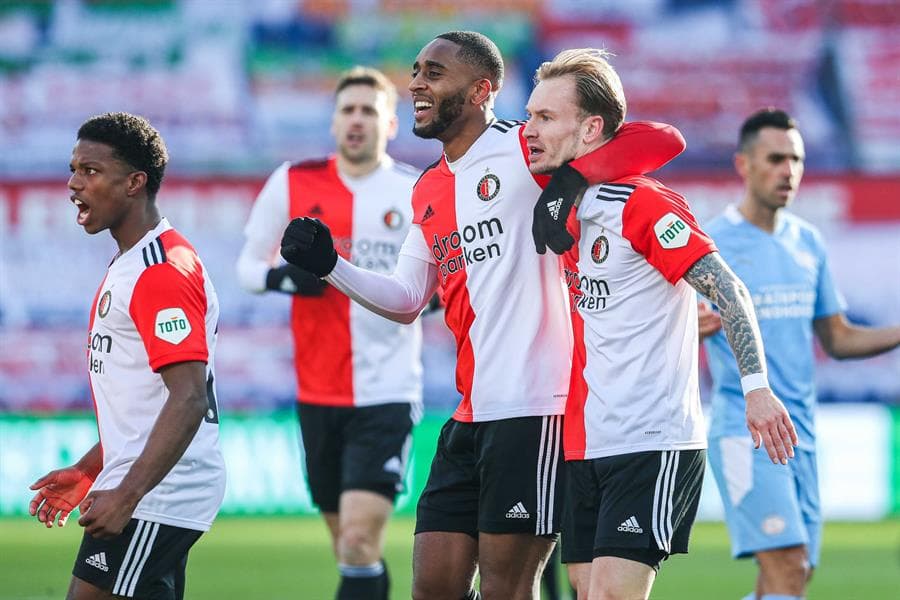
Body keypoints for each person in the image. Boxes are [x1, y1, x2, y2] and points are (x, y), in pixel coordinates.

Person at [279, 31, 687, 600]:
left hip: (536, 408)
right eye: (416, 70)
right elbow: (407, 298)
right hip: (470, 411)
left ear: (480, 90)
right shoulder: (428, 187)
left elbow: (662, 139)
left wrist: (568, 182)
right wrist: (331, 266)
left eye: (434, 73)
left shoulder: (526, 146)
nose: (415, 83)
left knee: (505, 589)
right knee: (434, 587)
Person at [523, 49, 798, 600]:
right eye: (530, 115)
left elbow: (729, 290)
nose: (529, 130)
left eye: (545, 117)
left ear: (591, 128)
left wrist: (756, 388)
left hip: (652, 436)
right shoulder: (562, 202)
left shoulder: (644, 203)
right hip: (583, 440)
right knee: (586, 593)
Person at [236, 66, 423, 600]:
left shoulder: (414, 190)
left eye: (369, 111)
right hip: (317, 391)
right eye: (347, 110)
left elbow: (439, 281)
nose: (356, 120)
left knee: (360, 540)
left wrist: (426, 301)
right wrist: (282, 279)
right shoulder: (292, 181)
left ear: (391, 124)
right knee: (349, 548)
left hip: (386, 391)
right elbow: (247, 267)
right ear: (334, 122)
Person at [700, 108, 900, 600]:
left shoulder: (807, 242)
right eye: (776, 159)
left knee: (793, 576)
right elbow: (667, 326)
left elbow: (838, 338)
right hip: (745, 432)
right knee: (788, 567)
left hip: (801, 436)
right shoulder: (711, 244)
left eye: (796, 159)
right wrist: (686, 328)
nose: (788, 170)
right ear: (744, 164)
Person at [28, 112, 226, 600]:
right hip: (147, 484)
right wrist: (92, 466)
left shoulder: (160, 272)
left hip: (158, 493)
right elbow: (146, 401)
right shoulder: (133, 262)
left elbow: (188, 398)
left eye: (90, 171)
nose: (74, 184)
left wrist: (127, 495)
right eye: (73, 170)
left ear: (135, 183)